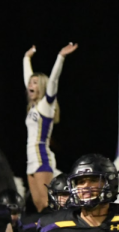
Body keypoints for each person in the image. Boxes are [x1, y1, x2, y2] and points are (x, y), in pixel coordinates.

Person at [23, 43, 77, 212]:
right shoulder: (33, 106)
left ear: (42, 87)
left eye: (35, 83)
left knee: (47, 204)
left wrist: (61, 56)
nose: (30, 85)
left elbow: (53, 80)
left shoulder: (46, 106)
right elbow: (27, 79)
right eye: (30, 82)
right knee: (39, 206)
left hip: (42, 158)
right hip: (30, 158)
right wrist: (26, 58)